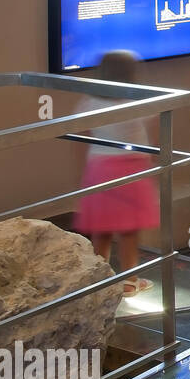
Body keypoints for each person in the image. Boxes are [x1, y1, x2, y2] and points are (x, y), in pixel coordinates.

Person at [72, 50, 159, 296]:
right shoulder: (137, 99)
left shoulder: (90, 99)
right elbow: (151, 133)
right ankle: (129, 280)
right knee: (129, 232)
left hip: (99, 168)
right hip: (131, 168)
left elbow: (83, 132)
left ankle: (100, 284)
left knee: (102, 230)